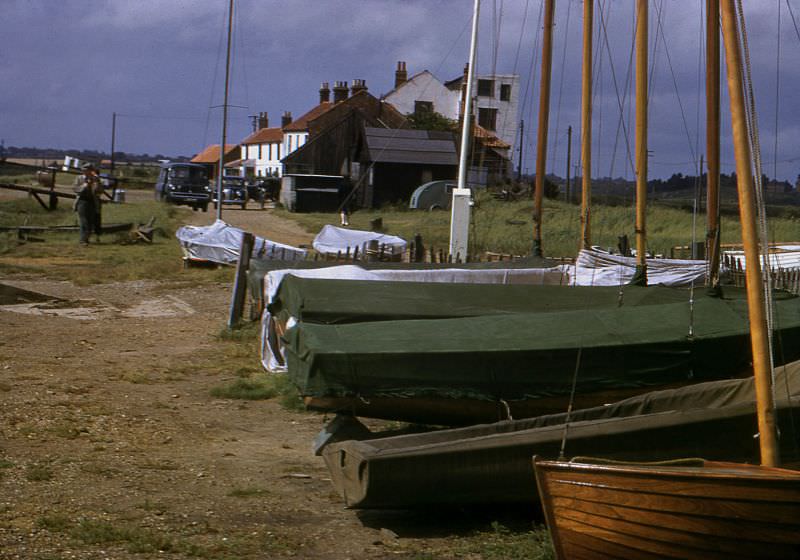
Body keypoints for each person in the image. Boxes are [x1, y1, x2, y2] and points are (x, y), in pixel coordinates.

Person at [74, 163, 100, 246]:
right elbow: (75, 189)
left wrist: (96, 183)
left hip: (92, 202)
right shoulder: (79, 178)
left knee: (90, 221)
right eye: (85, 169)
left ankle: (86, 239)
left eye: (88, 169)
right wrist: (85, 185)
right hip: (82, 201)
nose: (86, 171)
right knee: (83, 221)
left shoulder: (95, 179)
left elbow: (100, 191)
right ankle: (83, 240)